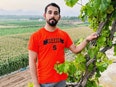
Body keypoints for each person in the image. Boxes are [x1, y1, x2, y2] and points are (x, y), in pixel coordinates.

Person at [28, 3, 98, 87]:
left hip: (61, 81)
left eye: (55, 13)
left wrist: (86, 40)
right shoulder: (36, 36)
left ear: (59, 17)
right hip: (44, 82)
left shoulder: (63, 35)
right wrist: (36, 84)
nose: (52, 15)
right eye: (49, 12)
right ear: (44, 15)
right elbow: (32, 61)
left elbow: (75, 50)